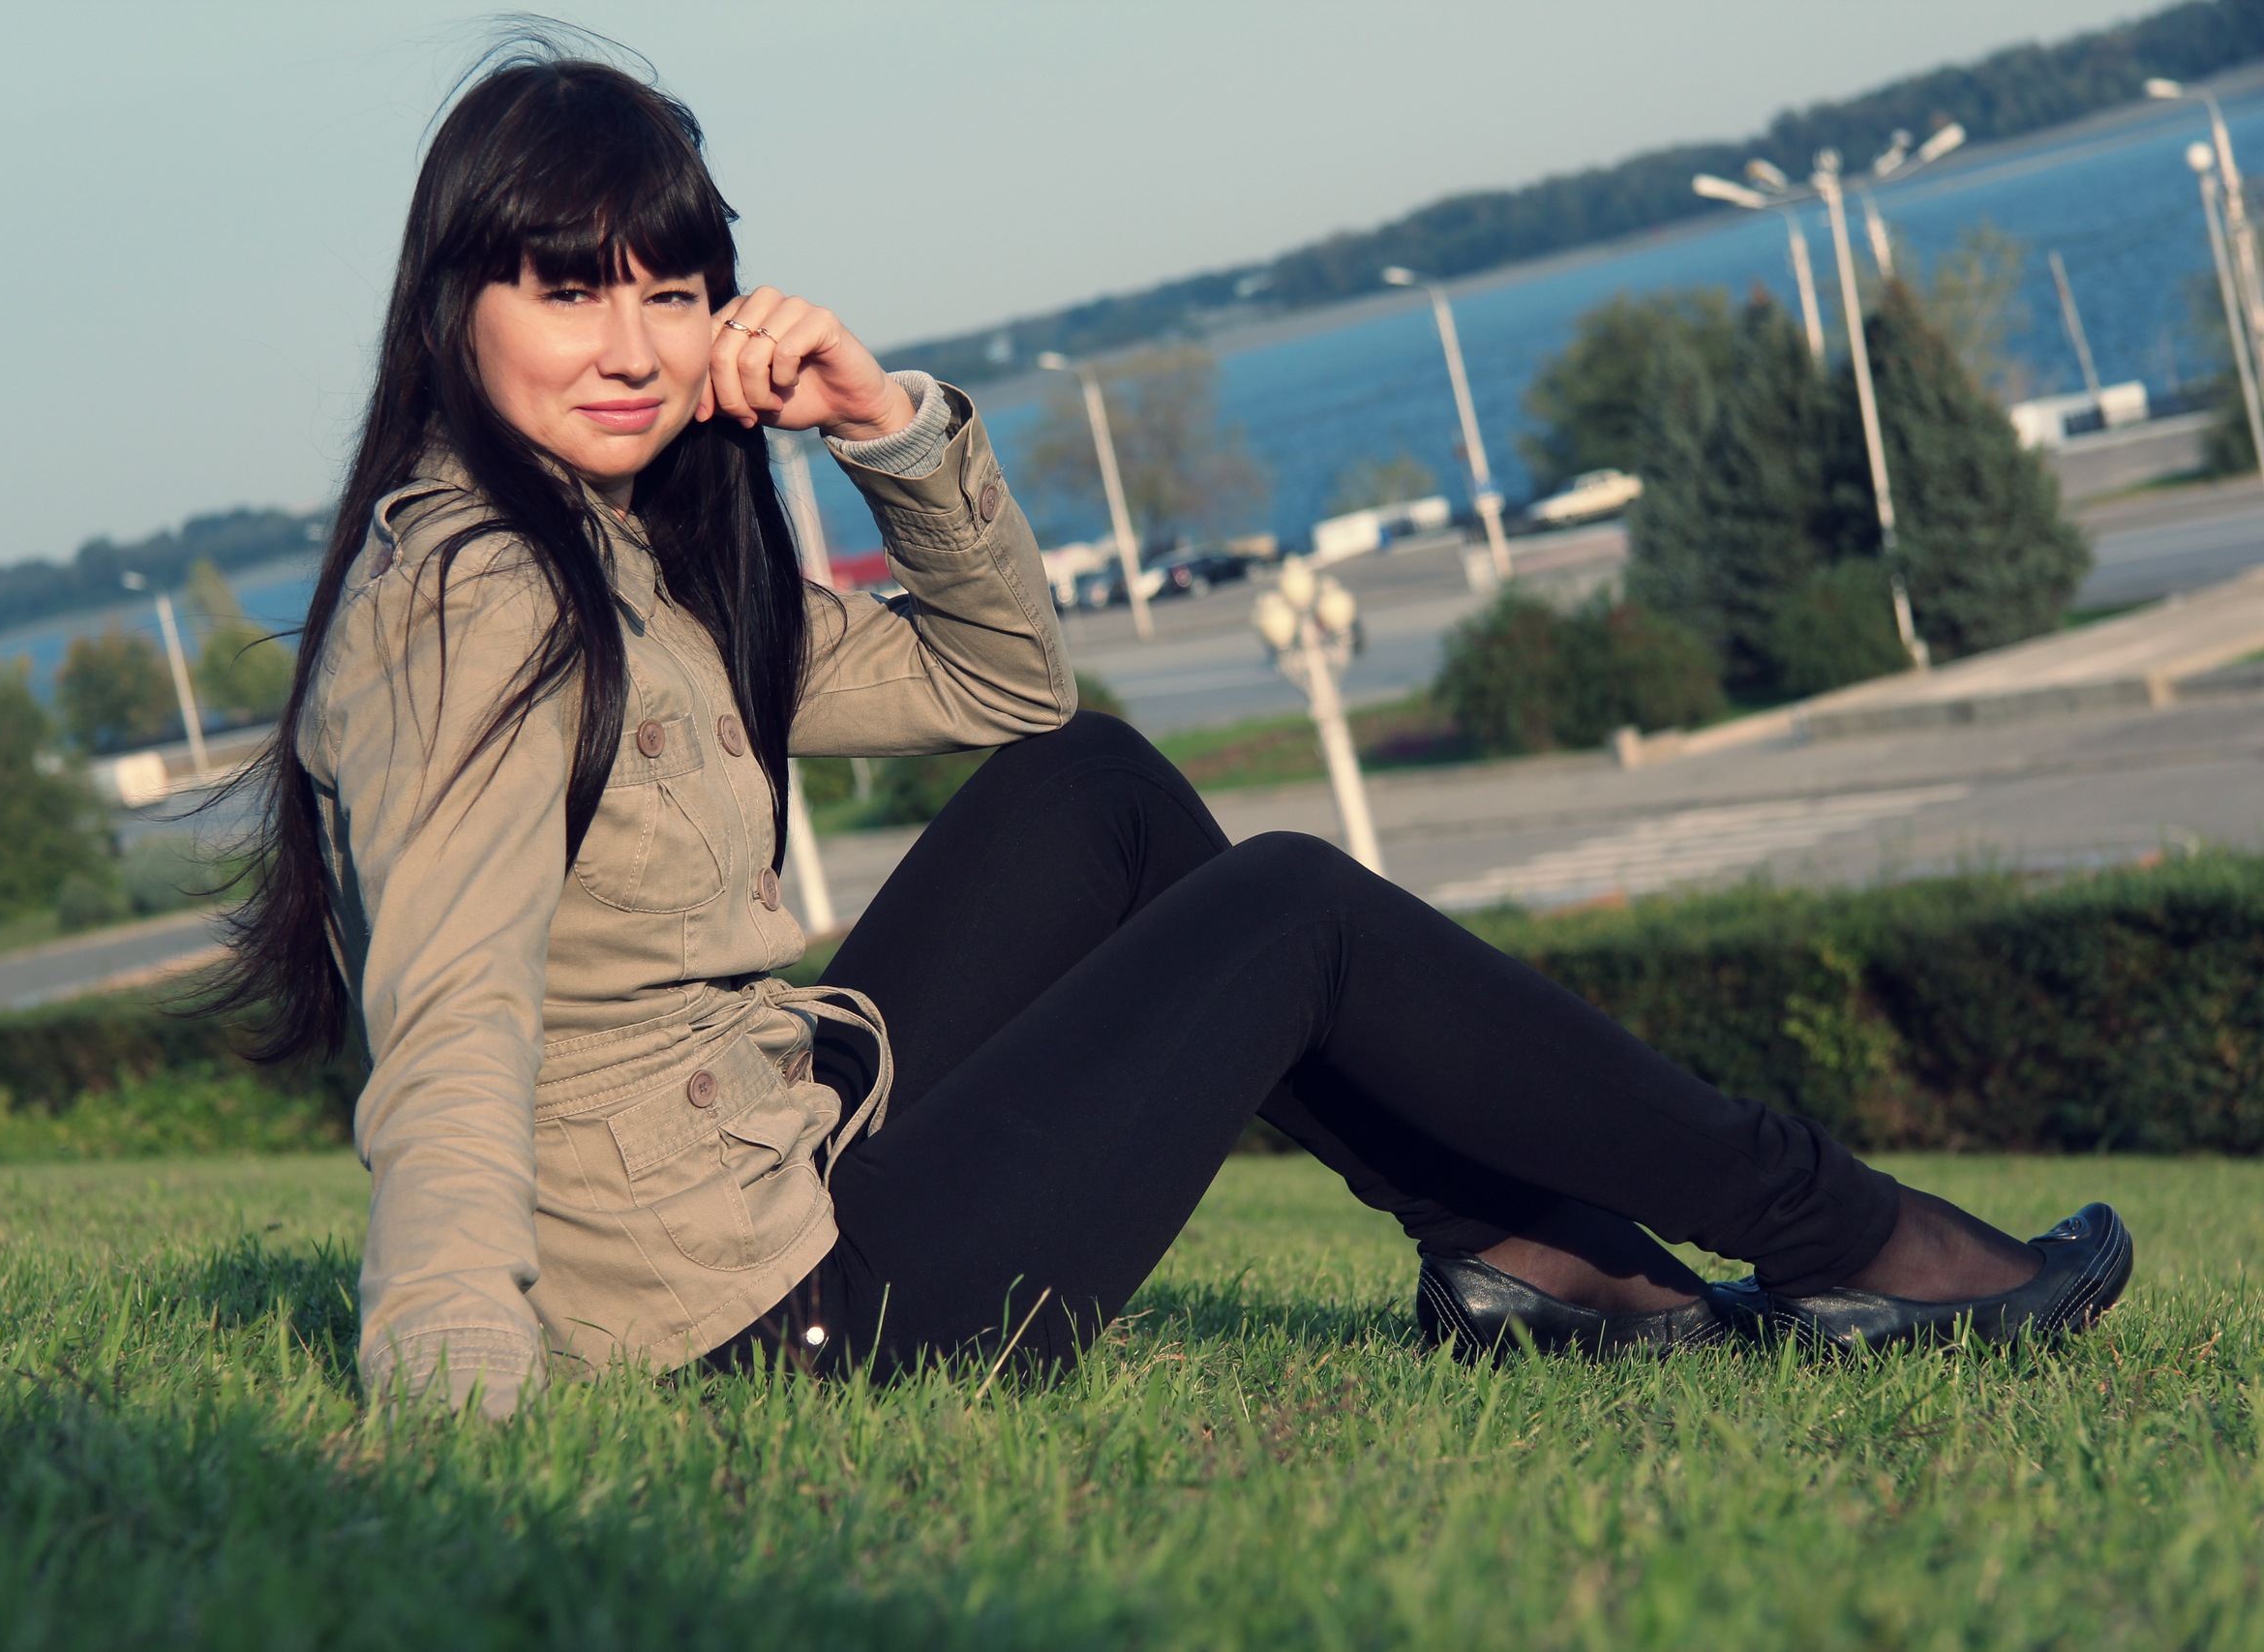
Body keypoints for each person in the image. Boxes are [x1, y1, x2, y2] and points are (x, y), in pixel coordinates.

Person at [213, 52, 2131, 1417]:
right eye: (566, 291)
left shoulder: (632, 557)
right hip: (758, 1319)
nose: (632, 344)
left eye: (670, 287)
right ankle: (1836, 1230)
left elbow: (1005, 692)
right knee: (1294, 908)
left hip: (774, 1156)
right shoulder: (474, 603)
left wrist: (885, 429)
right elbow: (450, 1018)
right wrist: (449, 1384)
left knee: (1099, 793)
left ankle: (1520, 1253)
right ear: (455, 306)